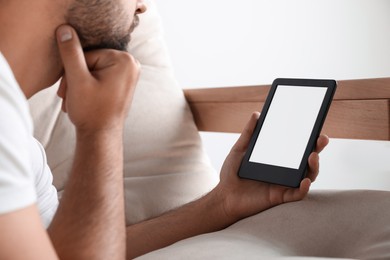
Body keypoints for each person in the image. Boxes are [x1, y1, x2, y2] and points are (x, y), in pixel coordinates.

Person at [0, 0, 329, 259]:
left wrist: (222, 203)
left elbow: (67, 250)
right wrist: (99, 131)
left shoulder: (22, 144)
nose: (143, 5)